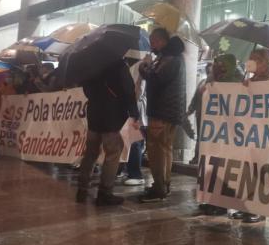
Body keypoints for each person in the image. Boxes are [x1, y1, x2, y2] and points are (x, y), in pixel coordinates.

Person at [76, 59, 140, 206]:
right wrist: (134, 113)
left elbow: (86, 90)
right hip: (111, 116)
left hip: (94, 115)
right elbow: (127, 90)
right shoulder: (118, 64)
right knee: (113, 153)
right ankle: (105, 193)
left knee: (90, 153)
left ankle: (82, 190)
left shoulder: (90, 65)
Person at [230, 49, 269, 223]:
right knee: (248, 169)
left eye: (254, 60)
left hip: (265, 133)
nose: (250, 62)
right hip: (250, 131)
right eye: (249, 59)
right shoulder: (251, 80)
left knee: (261, 169)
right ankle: (248, 205)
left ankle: (260, 208)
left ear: (263, 63)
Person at [138, 28, 187, 203]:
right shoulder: (173, 57)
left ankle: (159, 188)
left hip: (161, 111)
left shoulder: (170, 58)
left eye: (153, 41)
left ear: (161, 41)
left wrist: (144, 67)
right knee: (165, 148)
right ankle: (163, 184)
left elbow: (157, 79)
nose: (151, 45)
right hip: (169, 111)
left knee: (156, 150)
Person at [198, 54, 243, 216]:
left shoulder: (237, 81)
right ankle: (214, 200)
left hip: (231, 133)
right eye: (218, 64)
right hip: (217, 131)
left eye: (222, 64)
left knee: (225, 168)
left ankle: (223, 203)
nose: (219, 67)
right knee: (214, 166)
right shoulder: (215, 79)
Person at [123, 54, 149, 187]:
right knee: (129, 141)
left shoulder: (139, 67)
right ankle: (125, 170)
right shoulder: (130, 67)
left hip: (137, 110)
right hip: (133, 109)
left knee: (135, 142)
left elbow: (139, 91)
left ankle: (136, 174)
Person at [186, 62, 213, 165]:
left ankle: (204, 157)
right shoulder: (202, 82)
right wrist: (190, 110)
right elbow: (195, 98)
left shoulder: (215, 84)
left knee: (206, 137)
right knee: (200, 137)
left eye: (210, 70)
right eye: (208, 70)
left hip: (210, 115)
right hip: (200, 114)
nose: (209, 72)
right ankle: (197, 156)